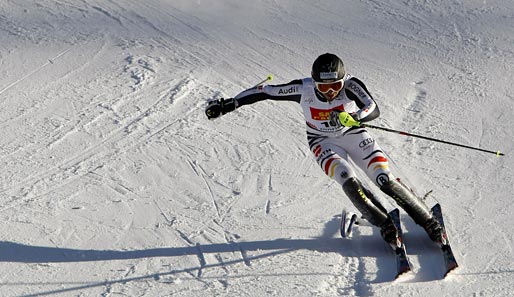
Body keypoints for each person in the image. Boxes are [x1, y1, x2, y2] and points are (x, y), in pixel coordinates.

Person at [205, 53, 445, 249]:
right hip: (321, 140)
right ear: (314, 82)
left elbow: (373, 108)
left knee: (383, 178)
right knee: (347, 180)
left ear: (342, 81)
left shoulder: (351, 85)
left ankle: (429, 223)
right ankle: (385, 226)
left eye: (335, 86)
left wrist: (353, 116)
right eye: (324, 86)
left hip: (354, 135)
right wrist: (230, 104)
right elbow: (266, 91)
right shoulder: (303, 89)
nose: (330, 92)